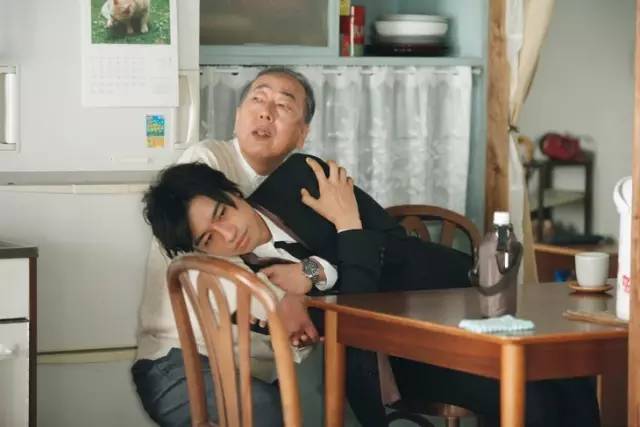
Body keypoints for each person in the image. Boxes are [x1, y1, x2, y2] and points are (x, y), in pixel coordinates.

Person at [143, 154, 601, 427]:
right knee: (532, 396)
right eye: (209, 239)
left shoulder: (301, 177)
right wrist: (345, 228)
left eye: (222, 214)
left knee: (571, 372)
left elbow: (390, 241)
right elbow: (355, 316)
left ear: (233, 193)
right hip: (401, 357)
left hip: (458, 294)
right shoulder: (245, 289)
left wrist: (315, 273)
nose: (228, 236)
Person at [132, 67, 332, 426]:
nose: (266, 112)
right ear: (237, 116)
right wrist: (288, 297)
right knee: (265, 410)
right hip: (181, 358)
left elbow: (331, 260)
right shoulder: (206, 165)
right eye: (257, 98)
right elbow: (216, 270)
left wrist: (307, 281)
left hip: (254, 368)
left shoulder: (300, 188)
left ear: (303, 133)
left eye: (283, 105)